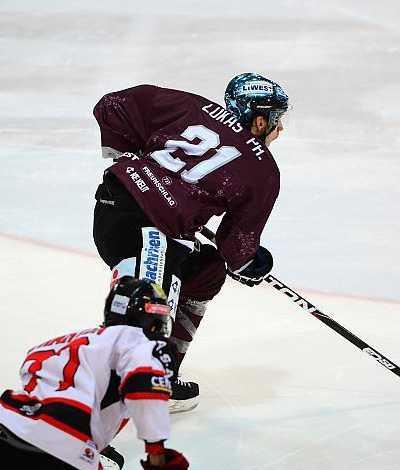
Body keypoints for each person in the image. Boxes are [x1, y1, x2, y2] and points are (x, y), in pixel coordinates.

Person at [92, 72, 290, 412]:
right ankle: (81, 426)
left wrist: (135, 155)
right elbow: (237, 250)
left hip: (120, 204)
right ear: (260, 120)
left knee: (206, 271)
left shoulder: (193, 108)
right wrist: (253, 264)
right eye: (278, 120)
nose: (280, 129)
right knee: (141, 318)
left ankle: (162, 377)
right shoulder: (263, 171)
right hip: (149, 230)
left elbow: (112, 105)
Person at [0, 277, 190, 470]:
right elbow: (144, 387)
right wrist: (157, 455)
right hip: (54, 452)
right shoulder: (141, 343)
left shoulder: (61, 342)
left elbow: (30, 366)